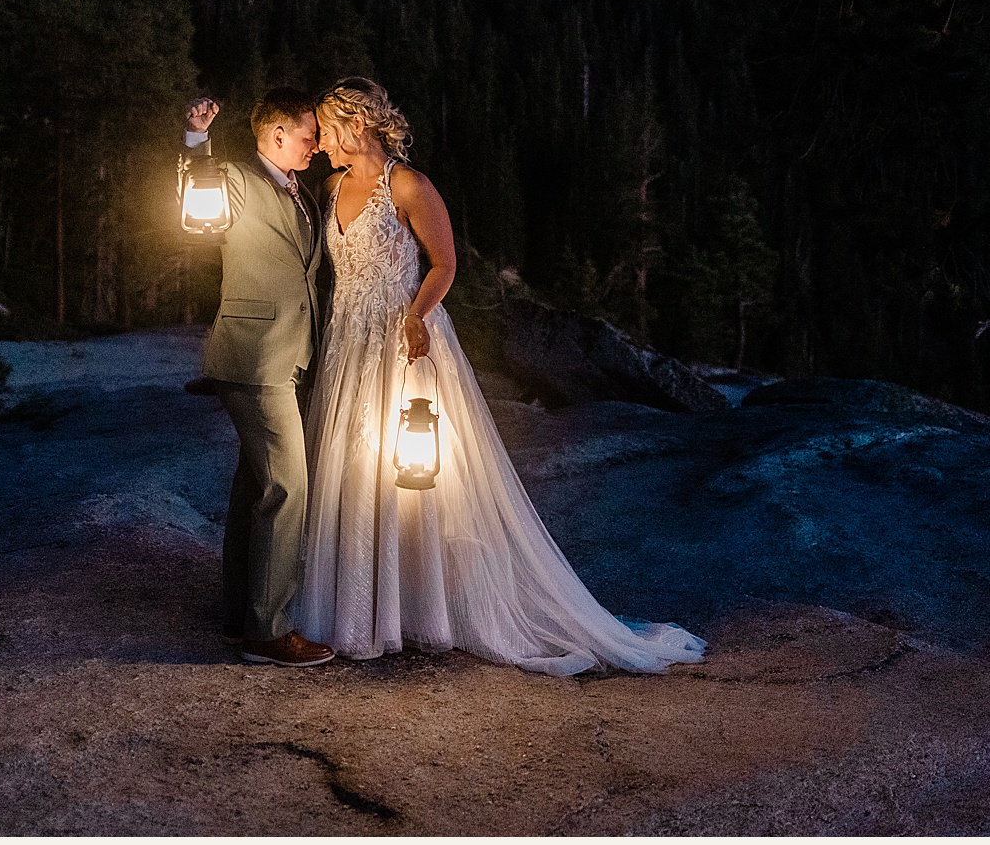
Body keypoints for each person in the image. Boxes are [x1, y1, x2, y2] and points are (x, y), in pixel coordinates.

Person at [292, 77, 705, 675]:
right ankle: (358, 608)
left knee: (413, 478)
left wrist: (415, 316)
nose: (323, 143)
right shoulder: (331, 188)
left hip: (404, 340)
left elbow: (445, 264)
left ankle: (424, 608)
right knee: (351, 469)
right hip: (348, 344)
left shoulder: (408, 185)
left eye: (328, 130)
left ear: (357, 125)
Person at [182, 89, 337, 668]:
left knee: (254, 486)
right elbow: (199, 189)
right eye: (307, 135)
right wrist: (196, 139)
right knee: (288, 486)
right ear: (275, 135)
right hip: (252, 358)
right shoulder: (237, 178)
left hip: (291, 356)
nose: (316, 145)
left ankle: (237, 616)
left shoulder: (302, 191)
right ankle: (269, 632)